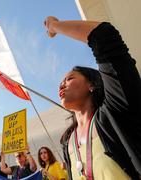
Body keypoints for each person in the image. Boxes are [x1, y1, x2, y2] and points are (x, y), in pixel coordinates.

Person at [44, 16, 141, 179]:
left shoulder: (116, 111)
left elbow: (103, 35)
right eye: (60, 82)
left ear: (92, 85)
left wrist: (54, 26)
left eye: (69, 79)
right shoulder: (67, 141)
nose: (61, 85)